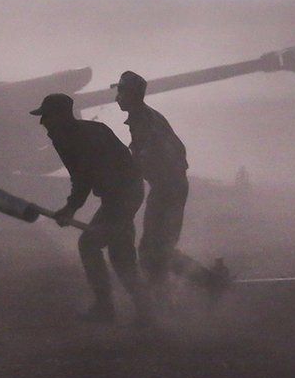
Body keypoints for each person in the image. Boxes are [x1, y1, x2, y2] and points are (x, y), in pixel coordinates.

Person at [31, 93, 153, 325]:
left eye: (46, 116)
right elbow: (82, 177)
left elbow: (84, 177)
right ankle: (144, 310)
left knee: (89, 244)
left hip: (123, 195)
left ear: (60, 117)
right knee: (120, 254)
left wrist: (70, 208)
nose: (42, 122)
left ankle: (106, 308)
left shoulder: (78, 138)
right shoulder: (71, 135)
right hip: (119, 196)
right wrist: (71, 207)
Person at [113, 71, 189, 296]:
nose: (117, 98)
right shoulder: (144, 118)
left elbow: (152, 155)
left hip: (168, 188)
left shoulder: (145, 121)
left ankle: (161, 303)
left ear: (132, 95)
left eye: (121, 92)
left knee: (153, 251)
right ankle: (209, 282)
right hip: (166, 186)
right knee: (156, 249)